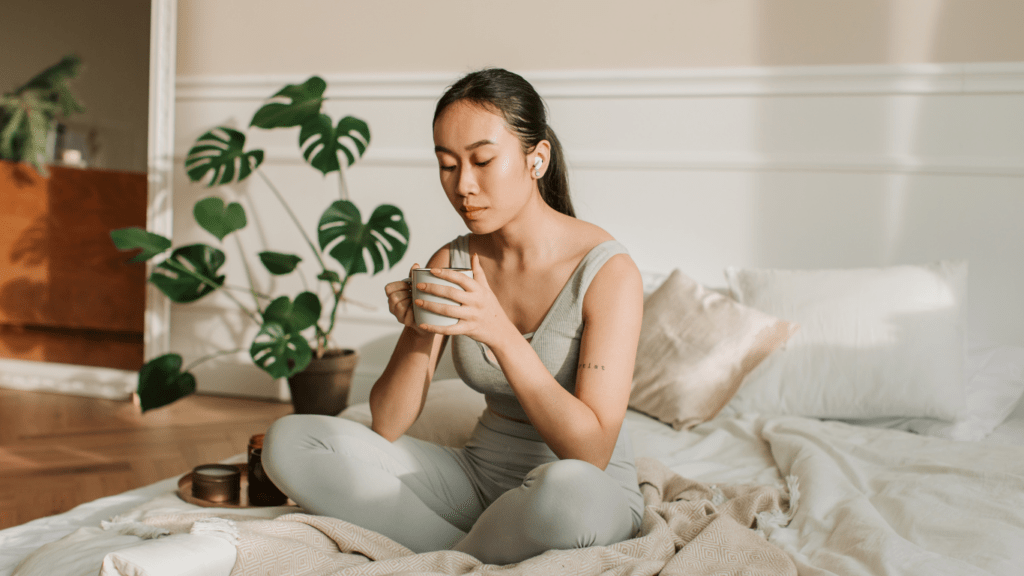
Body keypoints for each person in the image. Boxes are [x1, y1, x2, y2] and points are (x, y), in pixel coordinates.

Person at [262, 68, 645, 565]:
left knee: (567, 492)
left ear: (537, 159)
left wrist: (501, 334)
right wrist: (418, 329)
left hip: (579, 492)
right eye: (447, 165)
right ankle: (458, 557)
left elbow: (590, 453)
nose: (463, 185)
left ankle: (436, 555)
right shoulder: (454, 260)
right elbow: (388, 424)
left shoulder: (609, 272)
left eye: (483, 160)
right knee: (290, 441)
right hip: (478, 481)